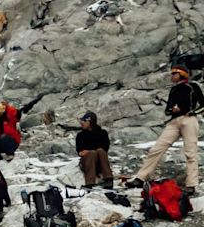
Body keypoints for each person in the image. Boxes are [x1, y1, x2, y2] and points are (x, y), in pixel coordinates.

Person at [125, 64, 204, 195]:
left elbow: (203, 105)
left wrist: (191, 113)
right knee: (156, 148)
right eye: (172, 73)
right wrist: (172, 110)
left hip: (188, 120)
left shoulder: (192, 86)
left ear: (182, 74)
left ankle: (191, 184)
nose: (171, 76)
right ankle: (141, 178)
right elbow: (167, 110)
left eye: (175, 73)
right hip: (174, 121)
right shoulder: (173, 90)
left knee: (190, 153)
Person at [76, 111, 113, 189]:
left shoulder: (102, 133)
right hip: (87, 163)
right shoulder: (80, 135)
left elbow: (105, 148)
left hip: (100, 162)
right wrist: (88, 152)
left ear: (91, 122)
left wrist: (89, 150)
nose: (82, 123)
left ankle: (108, 179)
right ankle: (90, 183)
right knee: (92, 153)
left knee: (100, 151)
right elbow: (80, 151)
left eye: (85, 121)